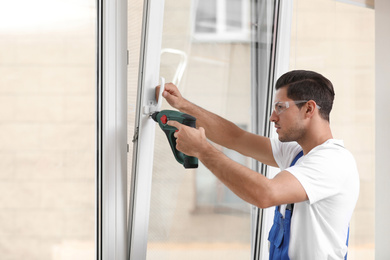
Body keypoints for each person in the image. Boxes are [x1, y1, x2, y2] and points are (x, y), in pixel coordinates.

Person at [156, 70, 359, 259]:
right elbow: (236, 137)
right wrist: (183, 105)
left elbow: (266, 194)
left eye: (280, 107)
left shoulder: (333, 162)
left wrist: (202, 150)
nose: (273, 117)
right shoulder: (298, 154)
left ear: (309, 109)